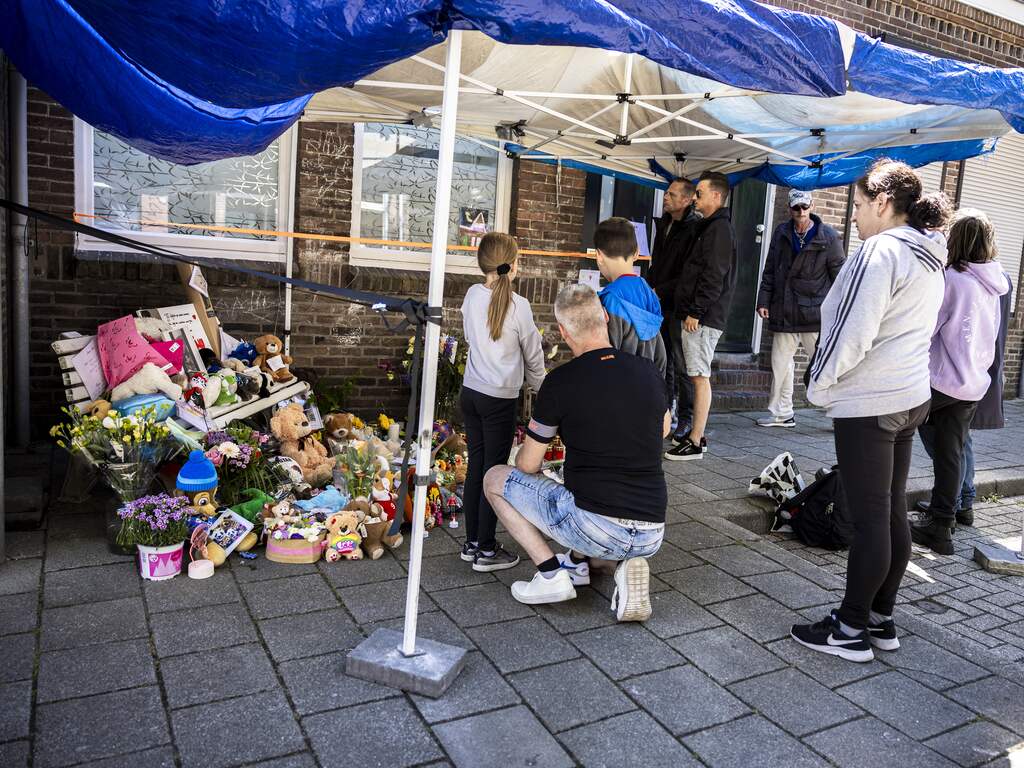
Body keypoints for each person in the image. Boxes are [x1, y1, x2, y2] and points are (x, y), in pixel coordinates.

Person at [791, 159, 951, 662]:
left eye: (859, 206)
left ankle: (849, 629)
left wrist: (818, 385)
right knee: (890, 512)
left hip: (872, 400)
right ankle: (881, 620)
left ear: (882, 203)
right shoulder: (929, 256)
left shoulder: (880, 250)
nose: (855, 217)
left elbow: (851, 330)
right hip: (908, 396)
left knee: (868, 520)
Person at [482, 284, 670, 621]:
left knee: (495, 479)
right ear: (606, 318)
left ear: (563, 331)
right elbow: (663, 429)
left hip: (596, 524)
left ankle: (551, 575)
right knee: (588, 502)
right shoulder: (648, 372)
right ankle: (617, 567)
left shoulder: (561, 381)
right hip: (652, 529)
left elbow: (527, 463)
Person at [910, 209, 1010, 555]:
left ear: (957, 240)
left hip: (939, 380)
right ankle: (942, 524)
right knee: (951, 454)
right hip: (972, 384)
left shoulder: (952, 278)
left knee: (890, 427)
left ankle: (862, 511)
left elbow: (927, 326)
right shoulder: (994, 283)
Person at [459, 232, 546, 572]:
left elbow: (469, 337)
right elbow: (533, 356)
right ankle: (486, 548)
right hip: (499, 400)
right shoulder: (519, 306)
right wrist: (543, 389)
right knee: (493, 473)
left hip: (471, 394)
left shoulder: (471, 295)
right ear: (514, 262)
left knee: (476, 467)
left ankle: (471, 543)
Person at [755, 190, 845, 428]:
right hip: (784, 309)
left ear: (812, 206)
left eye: (805, 207)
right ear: (789, 209)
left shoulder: (828, 236)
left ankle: (841, 414)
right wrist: (764, 300)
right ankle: (781, 413)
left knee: (823, 365)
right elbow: (771, 268)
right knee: (779, 364)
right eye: (797, 208)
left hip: (813, 313)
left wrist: (837, 310)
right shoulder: (781, 232)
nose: (801, 212)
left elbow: (840, 277)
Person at [665, 171, 737, 461]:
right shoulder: (710, 227)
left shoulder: (719, 230)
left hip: (702, 318)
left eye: (700, 193)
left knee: (698, 376)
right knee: (696, 375)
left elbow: (714, 274)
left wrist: (696, 310)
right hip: (699, 315)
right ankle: (696, 437)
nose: (696, 198)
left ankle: (695, 440)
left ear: (716, 196)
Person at [647, 178, 701, 436]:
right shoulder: (664, 223)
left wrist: (661, 289)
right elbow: (657, 264)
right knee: (664, 359)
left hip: (678, 304)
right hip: (658, 302)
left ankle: (687, 418)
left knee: (681, 363)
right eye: (666, 193)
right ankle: (665, 411)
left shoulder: (693, 228)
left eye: (671, 194)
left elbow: (688, 273)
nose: (665, 197)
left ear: (687, 199)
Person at [595, 216, 667, 375]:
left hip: (621, 387)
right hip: (650, 385)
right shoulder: (648, 292)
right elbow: (661, 355)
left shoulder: (611, 298)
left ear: (599, 255)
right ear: (637, 253)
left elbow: (606, 355)